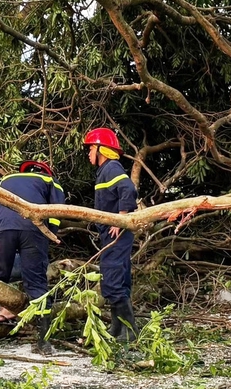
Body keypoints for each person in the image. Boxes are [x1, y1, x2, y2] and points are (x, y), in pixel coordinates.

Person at [0, 161, 65, 355]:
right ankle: (44, 344)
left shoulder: (5, 180)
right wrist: (50, 234)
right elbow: (56, 211)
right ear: (45, 171)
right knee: (37, 285)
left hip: (1, 227)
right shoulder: (50, 180)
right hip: (34, 228)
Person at [84, 127, 139, 343]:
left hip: (117, 234)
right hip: (112, 234)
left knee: (113, 276)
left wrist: (120, 218)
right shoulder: (105, 171)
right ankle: (118, 328)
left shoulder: (112, 168)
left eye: (90, 149)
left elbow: (128, 190)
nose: (89, 154)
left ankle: (130, 330)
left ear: (100, 150)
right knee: (118, 278)